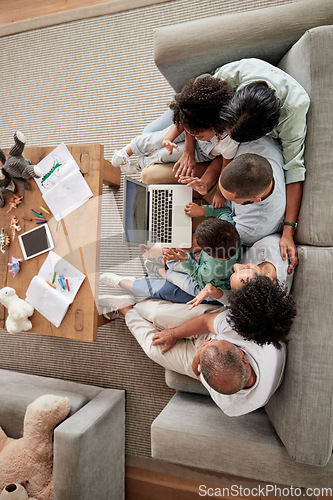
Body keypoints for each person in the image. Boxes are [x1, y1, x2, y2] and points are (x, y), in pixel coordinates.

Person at [142, 59, 310, 270]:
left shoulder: (293, 112)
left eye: (231, 134)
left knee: (151, 179)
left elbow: (295, 170)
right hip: (218, 155)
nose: (225, 137)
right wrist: (188, 151)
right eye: (225, 128)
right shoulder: (234, 75)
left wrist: (288, 231)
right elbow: (193, 113)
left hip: (226, 168)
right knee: (147, 141)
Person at [111, 299, 287, 416]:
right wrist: (175, 333)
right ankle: (137, 304)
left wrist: (199, 356)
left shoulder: (230, 404)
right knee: (154, 313)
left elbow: (197, 372)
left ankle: (128, 312)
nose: (211, 341)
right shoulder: (251, 335)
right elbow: (205, 322)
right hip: (211, 325)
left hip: (202, 359)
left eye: (213, 342)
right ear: (243, 357)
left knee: (153, 349)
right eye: (217, 343)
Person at [111, 77, 239, 206]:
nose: (195, 138)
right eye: (194, 134)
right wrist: (168, 139)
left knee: (165, 155)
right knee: (157, 139)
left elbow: (224, 166)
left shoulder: (228, 142)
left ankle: (140, 164)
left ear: (216, 126)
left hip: (204, 152)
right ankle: (128, 150)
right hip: (186, 130)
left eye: (198, 136)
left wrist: (218, 191)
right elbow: (184, 125)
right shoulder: (195, 120)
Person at [182, 136, 286, 247]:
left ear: (255, 199)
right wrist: (206, 182)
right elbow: (222, 159)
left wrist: (204, 211)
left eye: (230, 197)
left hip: (221, 217)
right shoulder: (251, 143)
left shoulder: (252, 227)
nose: (222, 194)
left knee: (181, 240)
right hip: (213, 181)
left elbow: (218, 242)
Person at [155, 207, 241, 301]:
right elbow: (224, 211)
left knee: (172, 274)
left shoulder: (211, 270)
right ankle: (164, 263)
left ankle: (161, 271)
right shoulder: (229, 229)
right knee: (171, 263)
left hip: (203, 285)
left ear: (208, 254)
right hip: (206, 269)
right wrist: (202, 210)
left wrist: (185, 259)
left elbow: (197, 274)